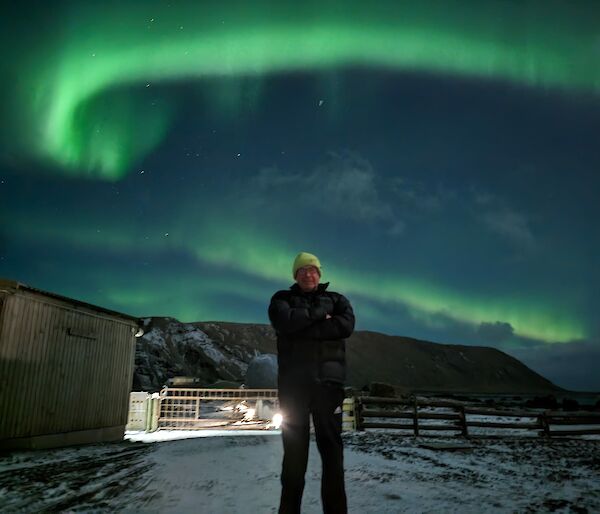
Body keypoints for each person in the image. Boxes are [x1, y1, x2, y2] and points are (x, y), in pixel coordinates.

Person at [268, 252, 355, 514]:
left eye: (313, 269)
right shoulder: (281, 299)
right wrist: (320, 314)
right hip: (294, 388)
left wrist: (303, 325)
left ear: (320, 273)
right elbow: (285, 321)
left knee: (332, 454)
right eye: (302, 270)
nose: (308, 274)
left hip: (328, 386)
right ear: (295, 275)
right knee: (294, 455)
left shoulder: (338, 300)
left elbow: (346, 326)